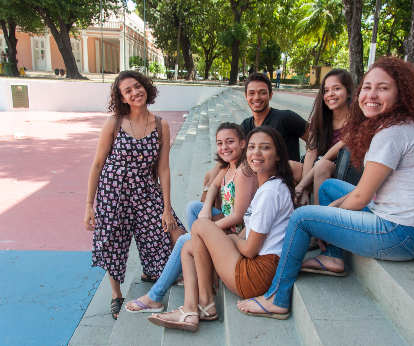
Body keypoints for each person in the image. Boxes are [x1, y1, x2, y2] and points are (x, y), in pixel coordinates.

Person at [237, 57, 414, 320]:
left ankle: (276, 298)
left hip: (403, 234)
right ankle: (334, 258)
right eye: (367, 87)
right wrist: (330, 215)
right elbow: (361, 193)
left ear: (400, 93)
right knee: (329, 189)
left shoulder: (391, 134)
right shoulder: (396, 125)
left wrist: (324, 221)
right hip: (406, 222)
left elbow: (360, 198)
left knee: (303, 218)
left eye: (383, 88)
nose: (371, 94)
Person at [147, 126, 296, 331]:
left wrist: (231, 240)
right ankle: (193, 307)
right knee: (189, 247)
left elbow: (250, 249)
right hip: (258, 266)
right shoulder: (270, 185)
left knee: (200, 225)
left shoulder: (270, 192)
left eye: (265, 148)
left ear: (278, 155)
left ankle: (204, 303)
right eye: (252, 147)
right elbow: (250, 230)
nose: (256, 153)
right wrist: (226, 240)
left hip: (255, 275)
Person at [124, 122, 258, 313]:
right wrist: (205, 210)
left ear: (243, 143)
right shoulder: (229, 167)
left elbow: (237, 216)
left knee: (184, 241)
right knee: (193, 207)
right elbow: (213, 186)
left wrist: (204, 229)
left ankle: (155, 296)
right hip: (229, 227)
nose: (224, 147)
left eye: (230, 141)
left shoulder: (244, 171)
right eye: (220, 143)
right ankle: (198, 257)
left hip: (238, 234)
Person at [84, 70, 186, 320]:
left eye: (137, 86)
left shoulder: (161, 125)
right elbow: (97, 164)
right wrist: (89, 205)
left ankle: (153, 272)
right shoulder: (114, 123)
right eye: (127, 90)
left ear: (146, 88)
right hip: (113, 193)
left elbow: (163, 168)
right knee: (113, 243)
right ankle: (116, 295)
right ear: (122, 98)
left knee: (171, 233)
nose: (134, 92)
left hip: (145, 190)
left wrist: (166, 208)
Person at [201, 73, 308, 201]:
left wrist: (305, 187)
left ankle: (225, 218)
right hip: (257, 173)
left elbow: (315, 143)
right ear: (246, 96)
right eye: (251, 93)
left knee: (223, 181)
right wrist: (208, 186)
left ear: (270, 95)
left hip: (282, 177)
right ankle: (213, 214)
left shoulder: (286, 118)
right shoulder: (246, 125)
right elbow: (228, 154)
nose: (256, 97)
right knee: (210, 175)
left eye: (262, 92)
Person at [291, 69, 354, 206]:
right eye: (326, 91)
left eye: (336, 89)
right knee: (287, 166)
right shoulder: (320, 118)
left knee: (322, 165)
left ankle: (318, 218)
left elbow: (327, 158)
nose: (330, 94)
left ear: (349, 92)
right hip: (318, 168)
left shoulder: (357, 120)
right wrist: (305, 191)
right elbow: (311, 152)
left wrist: (301, 186)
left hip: (345, 173)